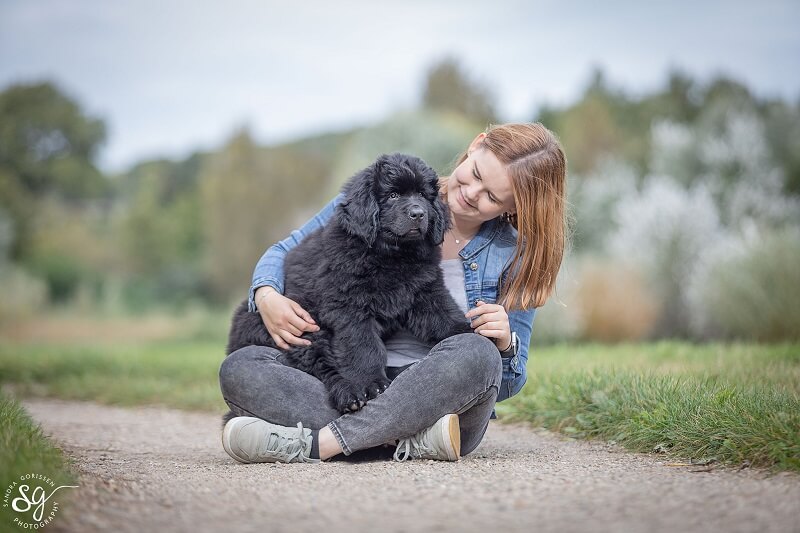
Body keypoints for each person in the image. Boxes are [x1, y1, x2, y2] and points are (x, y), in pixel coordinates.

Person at [218, 122, 567, 463]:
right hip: (350, 380)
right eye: (475, 174)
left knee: (479, 354)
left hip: (433, 394)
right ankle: (410, 440)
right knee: (240, 368)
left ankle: (319, 443)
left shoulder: (515, 257)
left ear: (514, 207)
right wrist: (266, 296)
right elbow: (283, 251)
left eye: (491, 195)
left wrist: (505, 346)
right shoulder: (368, 196)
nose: (472, 193)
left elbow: (501, 385)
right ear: (475, 146)